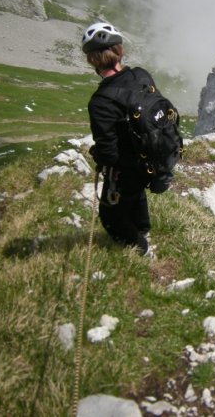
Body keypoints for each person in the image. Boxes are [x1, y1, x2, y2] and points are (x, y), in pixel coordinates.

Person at [82, 21, 155, 257]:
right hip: (153, 155)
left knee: (110, 215)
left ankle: (140, 250)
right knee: (135, 194)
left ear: (92, 60)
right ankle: (142, 229)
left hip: (129, 166)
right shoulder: (141, 75)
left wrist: (97, 155)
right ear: (120, 50)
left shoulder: (101, 102)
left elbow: (109, 154)